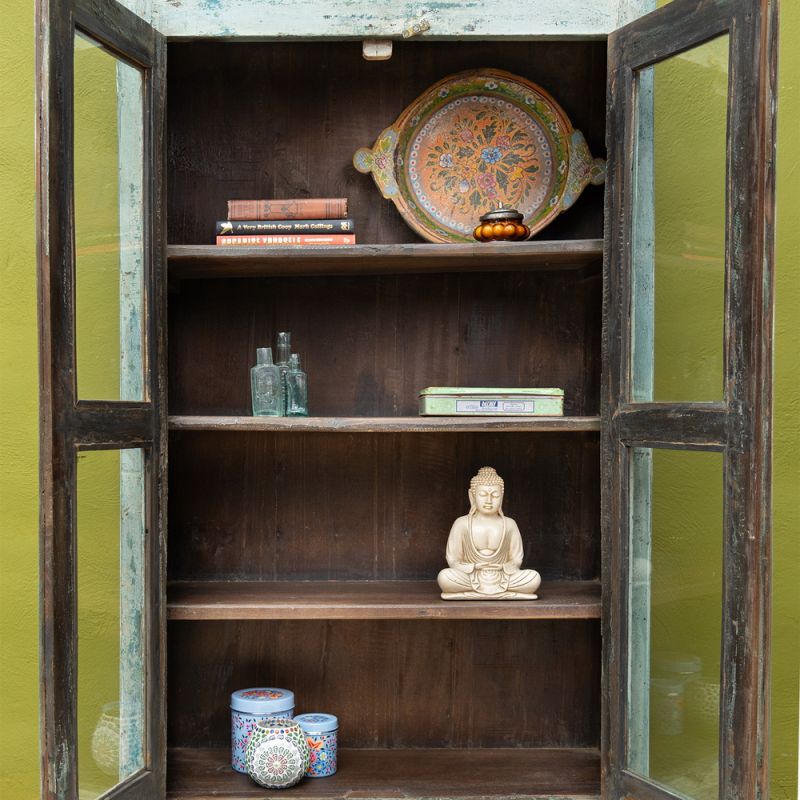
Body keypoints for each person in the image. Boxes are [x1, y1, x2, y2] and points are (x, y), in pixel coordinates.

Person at [437, 466, 541, 600]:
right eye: (483, 495)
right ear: (472, 495)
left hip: (503, 576)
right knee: (445, 577)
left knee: (533, 577)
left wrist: (503, 567)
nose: (489, 500)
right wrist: (474, 567)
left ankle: (467, 594)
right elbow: (453, 559)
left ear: (502, 497)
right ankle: (506, 594)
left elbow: (516, 559)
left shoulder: (509, 524)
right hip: (470, 576)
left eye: (495, 495)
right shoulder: (461, 524)